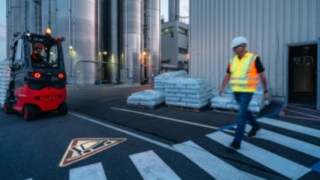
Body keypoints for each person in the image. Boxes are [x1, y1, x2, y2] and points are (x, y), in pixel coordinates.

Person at [219, 36, 269, 150]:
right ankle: (256, 125)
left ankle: (236, 142)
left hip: (248, 91)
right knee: (245, 111)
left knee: (241, 115)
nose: (234, 50)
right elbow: (228, 75)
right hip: (236, 91)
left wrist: (266, 91)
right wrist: (222, 87)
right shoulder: (232, 61)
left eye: (236, 47)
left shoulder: (253, 58)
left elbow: (262, 75)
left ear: (243, 46)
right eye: (233, 48)